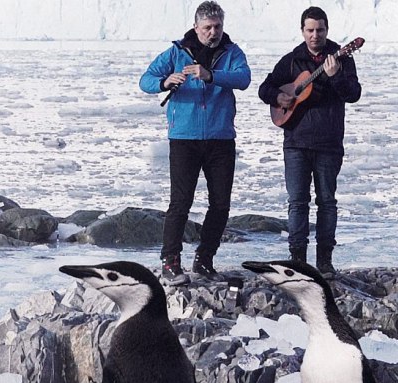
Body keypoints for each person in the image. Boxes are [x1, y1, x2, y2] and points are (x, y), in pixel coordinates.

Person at [139, 1, 251, 285]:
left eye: (218, 27)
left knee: (220, 204)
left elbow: (244, 78)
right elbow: (145, 80)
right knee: (180, 202)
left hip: (220, 138)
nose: (213, 32)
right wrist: (165, 82)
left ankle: (204, 259)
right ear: (196, 27)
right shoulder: (177, 52)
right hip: (184, 139)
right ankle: (170, 261)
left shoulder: (231, 52)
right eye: (208, 28)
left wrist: (210, 75)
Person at [258, 6, 361, 279]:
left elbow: (353, 94)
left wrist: (335, 75)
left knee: (327, 201)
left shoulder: (341, 57)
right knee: (297, 202)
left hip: (328, 142)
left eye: (320, 30)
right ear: (303, 31)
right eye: (310, 30)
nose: (315, 35)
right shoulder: (292, 60)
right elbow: (265, 87)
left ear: (327, 30)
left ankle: (325, 261)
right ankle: (297, 260)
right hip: (296, 141)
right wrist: (278, 98)